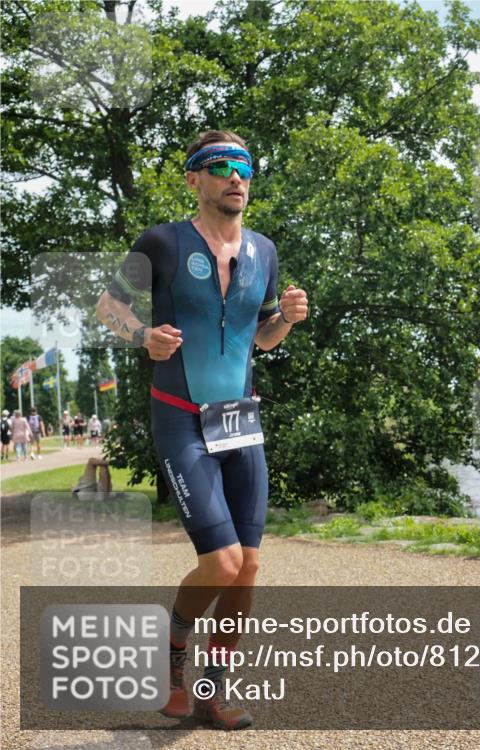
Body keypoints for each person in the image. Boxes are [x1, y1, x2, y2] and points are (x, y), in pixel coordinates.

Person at [95, 130, 308, 731]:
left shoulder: (263, 251)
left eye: (243, 165)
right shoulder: (161, 242)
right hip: (181, 416)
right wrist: (143, 336)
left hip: (241, 418)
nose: (235, 176)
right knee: (221, 562)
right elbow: (109, 307)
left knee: (250, 567)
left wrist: (286, 321)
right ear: (194, 179)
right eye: (220, 166)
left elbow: (262, 336)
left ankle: (214, 689)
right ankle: (173, 661)